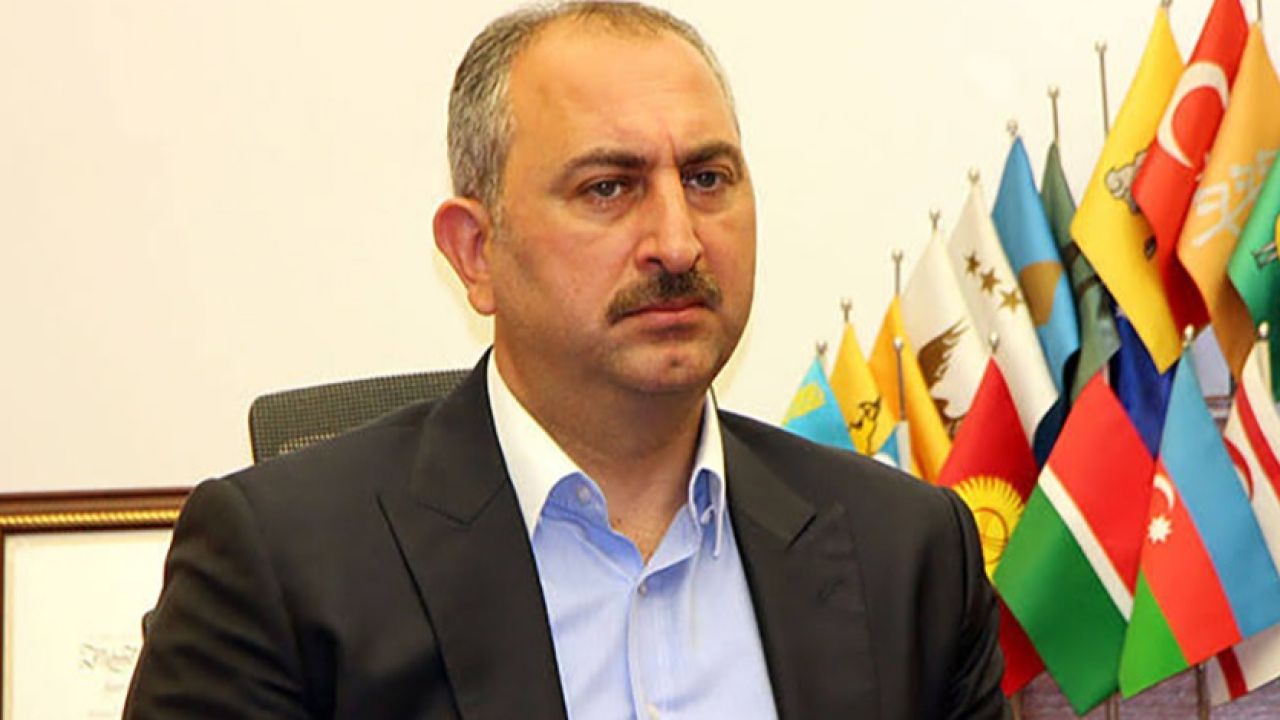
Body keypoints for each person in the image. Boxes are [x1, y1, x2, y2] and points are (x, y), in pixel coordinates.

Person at [124, 3, 1008, 718]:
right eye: (608, 188)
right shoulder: (283, 568)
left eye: (707, 179)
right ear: (476, 253)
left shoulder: (908, 553)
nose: (677, 242)